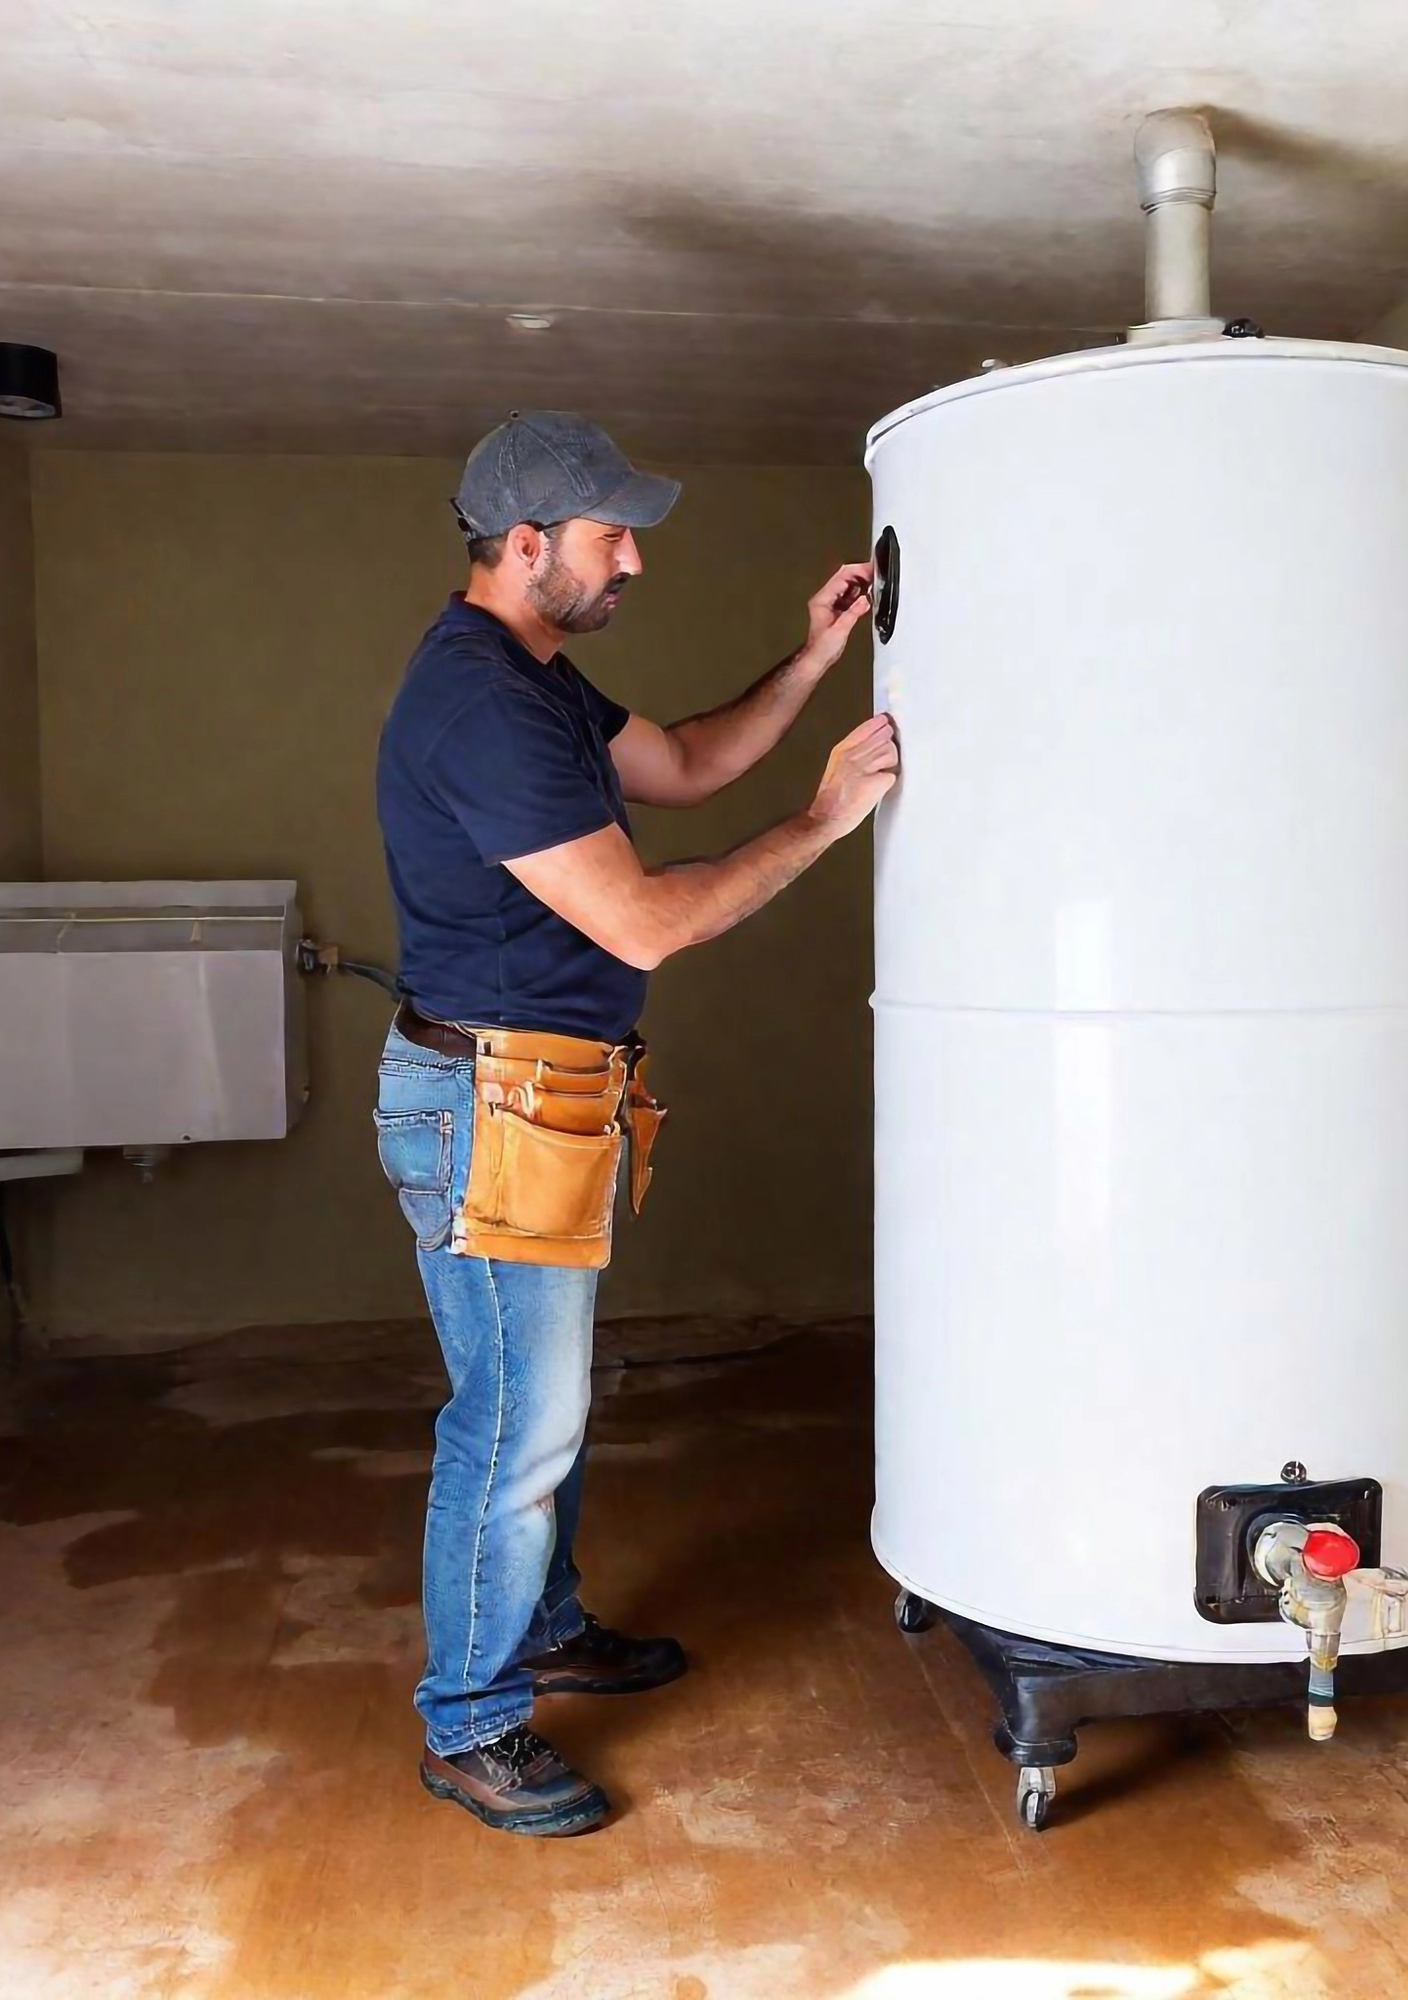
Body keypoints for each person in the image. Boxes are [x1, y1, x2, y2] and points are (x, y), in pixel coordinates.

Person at [373, 411, 897, 1837]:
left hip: (548, 1094)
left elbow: (681, 765)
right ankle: (470, 1728)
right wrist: (825, 822)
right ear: (526, 546)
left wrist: (808, 660)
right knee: (511, 1427)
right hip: (493, 1103)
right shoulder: (479, 702)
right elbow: (644, 918)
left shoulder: (540, 680)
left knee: (545, 1410)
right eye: (615, 534)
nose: (637, 559)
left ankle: (539, 1629)